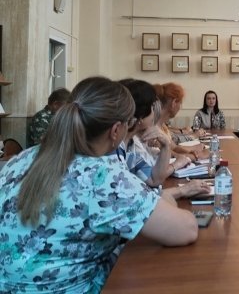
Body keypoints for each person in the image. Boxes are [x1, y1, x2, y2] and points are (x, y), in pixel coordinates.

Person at [0, 77, 201, 293]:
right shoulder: (102, 176)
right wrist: (168, 199)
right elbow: (186, 229)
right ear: (115, 131)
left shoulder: (20, 159)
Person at [117, 79, 208, 200]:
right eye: (152, 107)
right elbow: (137, 199)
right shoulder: (118, 149)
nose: (156, 113)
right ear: (140, 116)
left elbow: (154, 180)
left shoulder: (130, 145)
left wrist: (166, 146)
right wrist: (182, 190)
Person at [154, 82, 204, 155]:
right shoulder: (154, 128)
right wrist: (196, 155)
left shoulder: (162, 125)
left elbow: (174, 148)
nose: (180, 107)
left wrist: (193, 149)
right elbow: (169, 154)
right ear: (174, 103)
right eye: (180, 103)